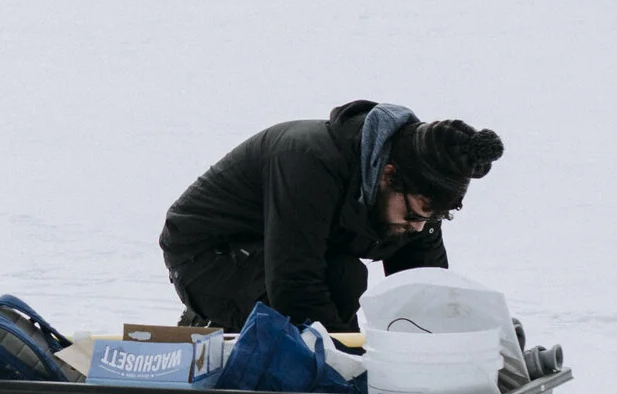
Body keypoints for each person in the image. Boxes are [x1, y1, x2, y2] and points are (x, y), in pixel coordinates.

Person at [160, 101, 504, 334]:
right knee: (339, 283)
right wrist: (351, 364)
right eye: (414, 215)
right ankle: (212, 322)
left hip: (280, 248)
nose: (417, 228)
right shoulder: (308, 163)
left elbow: (424, 289)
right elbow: (295, 284)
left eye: (430, 220)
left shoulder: (416, 194)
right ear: (387, 175)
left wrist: (448, 344)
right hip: (206, 255)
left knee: (343, 275)